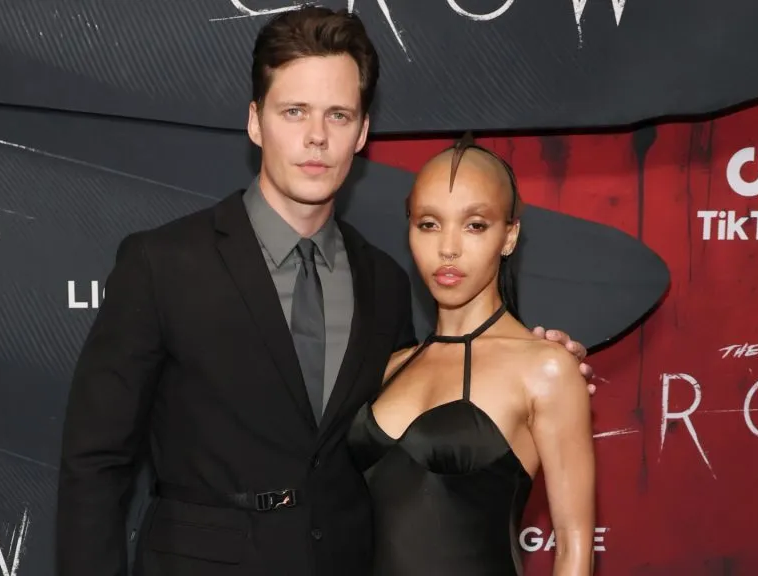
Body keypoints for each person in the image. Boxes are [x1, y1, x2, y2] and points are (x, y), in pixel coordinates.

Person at [55, 7, 595, 576]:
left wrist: (542, 368)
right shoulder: (162, 263)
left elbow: (418, 439)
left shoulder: (384, 283)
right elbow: (95, 462)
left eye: (338, 115)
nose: (317, 137)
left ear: (362, 132)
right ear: (256, 121)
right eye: (295, 112)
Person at [348, 134, 596, 576]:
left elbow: (573, 548)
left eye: (475, 224)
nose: (448, 247)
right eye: (428, 223)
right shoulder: (390, 367)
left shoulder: (546, 368)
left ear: (509, 235)